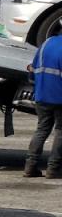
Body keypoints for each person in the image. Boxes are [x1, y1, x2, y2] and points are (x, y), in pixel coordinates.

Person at [25, 32, 62, 178]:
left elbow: (33, 70)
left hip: (41, 94)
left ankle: (30, 167)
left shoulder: (47, 43)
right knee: (60, 131)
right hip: (59, 97)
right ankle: (53, 169)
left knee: (41, 130)